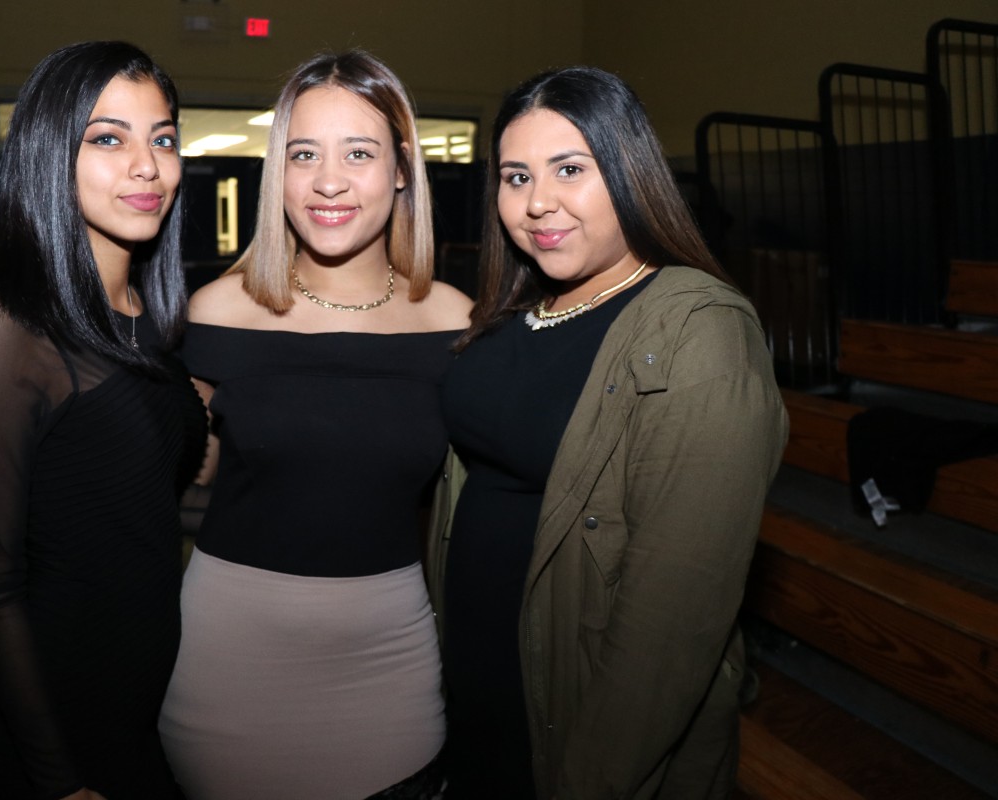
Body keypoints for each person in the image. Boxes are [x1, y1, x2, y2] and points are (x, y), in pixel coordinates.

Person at [428, 67, 789, 799]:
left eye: (570, 169)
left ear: (630, 171)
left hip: (587, 732)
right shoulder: (518, 309)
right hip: (479, 707)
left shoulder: (699, 331)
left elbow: (670, 627)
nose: (537, 203)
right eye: (515, 175)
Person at [158, 50, 472, 800]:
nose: (328, 181)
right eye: (304, 154)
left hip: (390, 660)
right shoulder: (215, 313)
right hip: (226, 662)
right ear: (280, 173)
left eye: (358, 153)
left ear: (402, 171)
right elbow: (169, 479)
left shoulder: (459, 322)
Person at [0, 41, 207, 800]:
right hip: (56, 732)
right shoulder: (6, 327)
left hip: (147, 706)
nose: (147, 165)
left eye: (162, 137)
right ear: (50, 153)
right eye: (107, 139)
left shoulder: (144, 314)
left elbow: (141, 498)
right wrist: (57, 783)